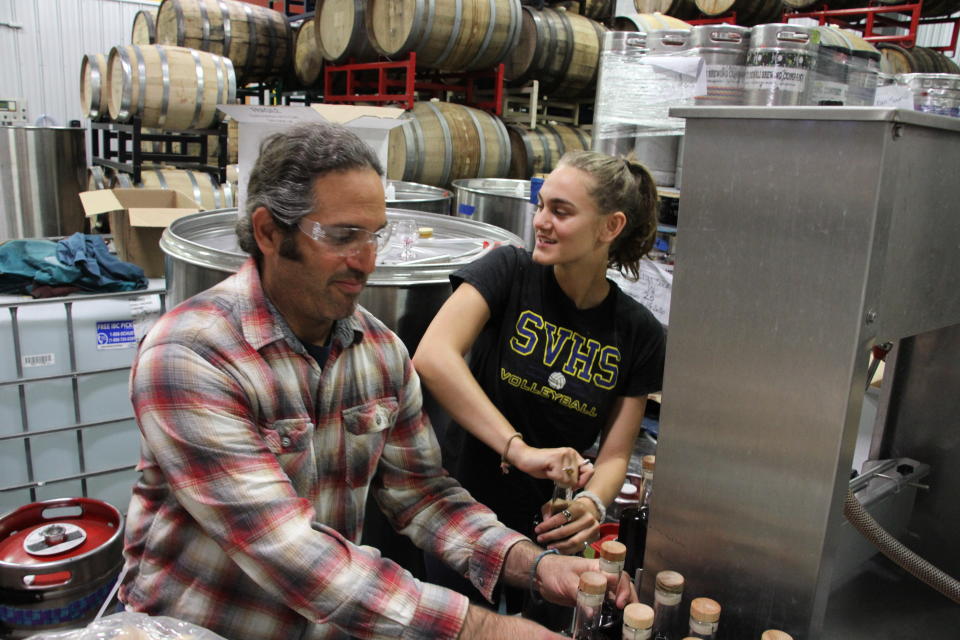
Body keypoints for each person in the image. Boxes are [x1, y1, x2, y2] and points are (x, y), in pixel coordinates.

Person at [118, 124, 635, 640]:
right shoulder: (192, 355)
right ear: (270, 232)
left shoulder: (380, 351)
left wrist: (537, 567)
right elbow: (288, 550)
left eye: (375, 235)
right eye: (343, 236)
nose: (367, 261)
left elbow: (423, 494)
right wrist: (488, 631)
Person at [413, 150, 666, 611]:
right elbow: (433, 356)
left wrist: (590, 505)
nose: (540, 222)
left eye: (561, 211)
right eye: (542, 205)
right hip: (464, 515)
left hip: (549, 537)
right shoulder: (510, 271)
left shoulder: (639, 332)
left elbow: (613, 456)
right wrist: (518, 449)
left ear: (610, 227)